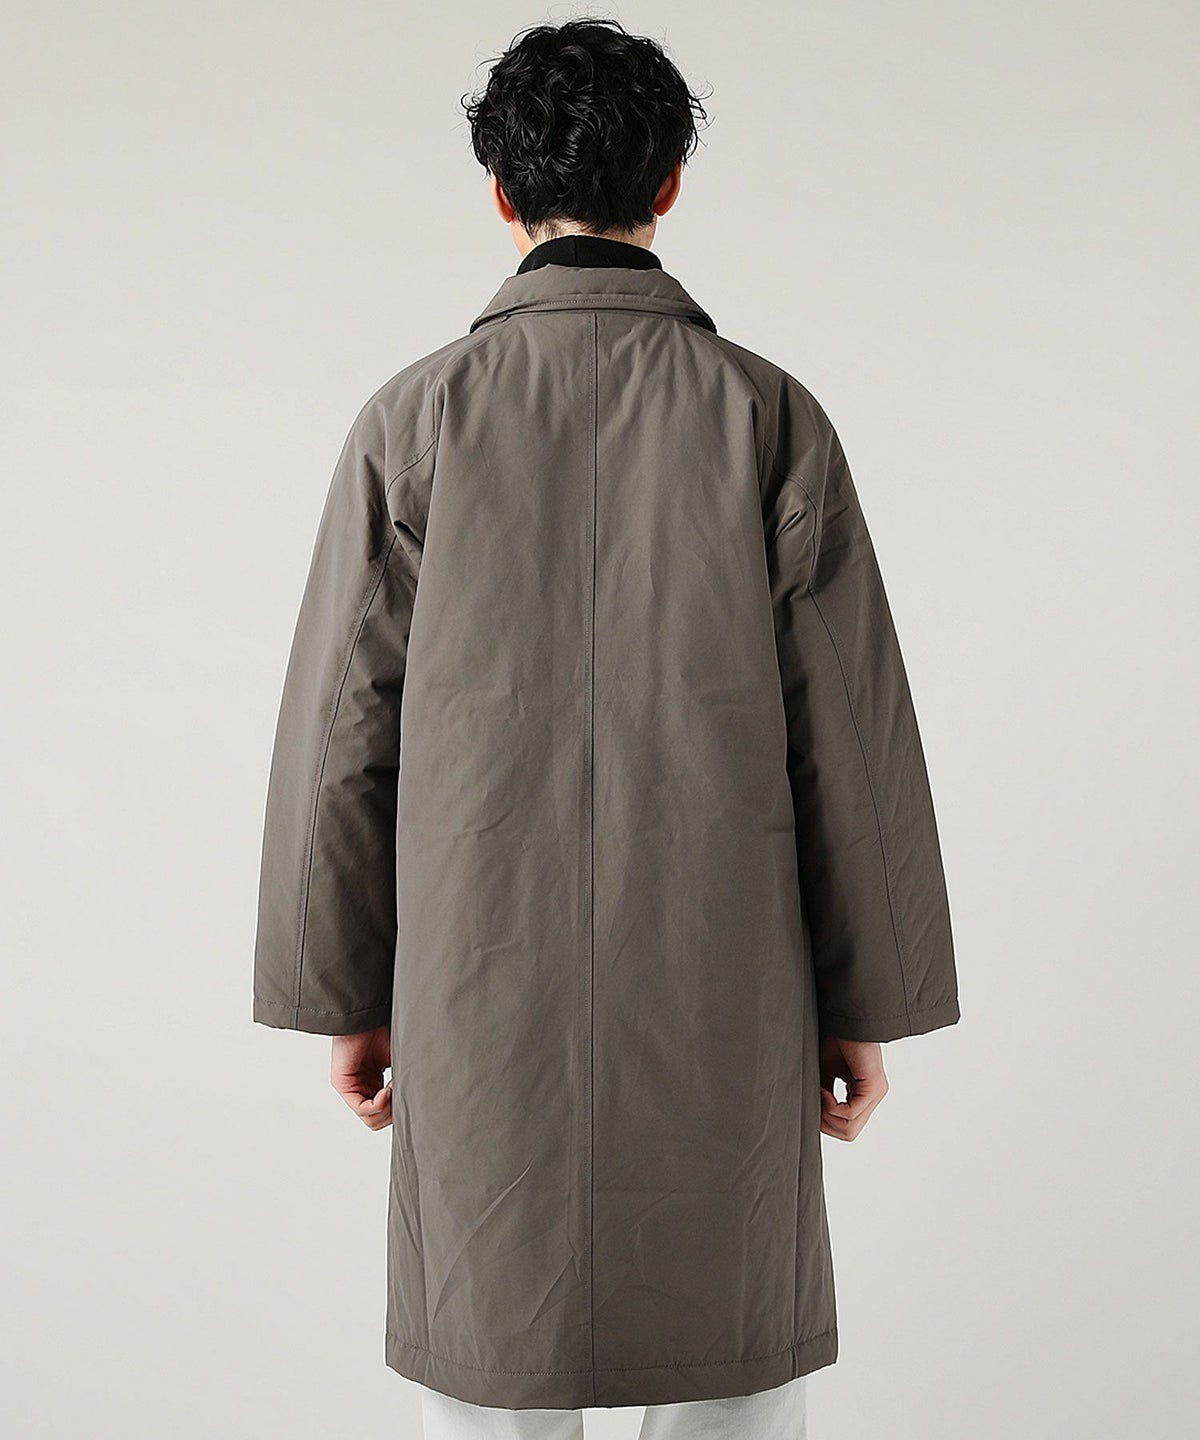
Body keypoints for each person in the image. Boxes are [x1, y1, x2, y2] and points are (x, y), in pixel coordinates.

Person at [252, 16, 960, 1438]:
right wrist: (866, 1005)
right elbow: (854, 738)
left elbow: (341, 734)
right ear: (671, 184)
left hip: (476, 977)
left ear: (501, 194)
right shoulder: (767, 415)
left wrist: (344, 989)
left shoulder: (414, 421)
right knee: (731, 1363)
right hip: (722, 976)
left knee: (494, 1356)